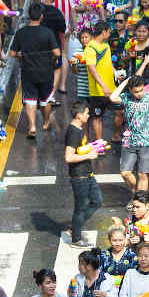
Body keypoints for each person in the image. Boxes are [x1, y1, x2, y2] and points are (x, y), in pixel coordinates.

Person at [9, 3, 60, 139]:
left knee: (30, 100)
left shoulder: (21, 33)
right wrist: (53, 59)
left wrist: (21, 56)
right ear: (41, 16)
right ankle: (45, 122)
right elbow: (57, 52)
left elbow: (12, 53)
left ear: (29, 16)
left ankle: (32, 126)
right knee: (45, 100)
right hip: (46, 72)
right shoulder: (47, 33)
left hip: (28, 72)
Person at [64, 102, 103, 247]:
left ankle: (75, 227)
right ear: (79, 115)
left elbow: (79, 150)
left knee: (97, 201)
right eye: (86, 113)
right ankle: (76, 238)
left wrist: (93, 147)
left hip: (88, 173)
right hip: (79, 176)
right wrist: (89, 156)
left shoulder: (79, 128)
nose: (88, 115)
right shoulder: (73, 132)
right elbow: (68, 157)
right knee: (81, 207)